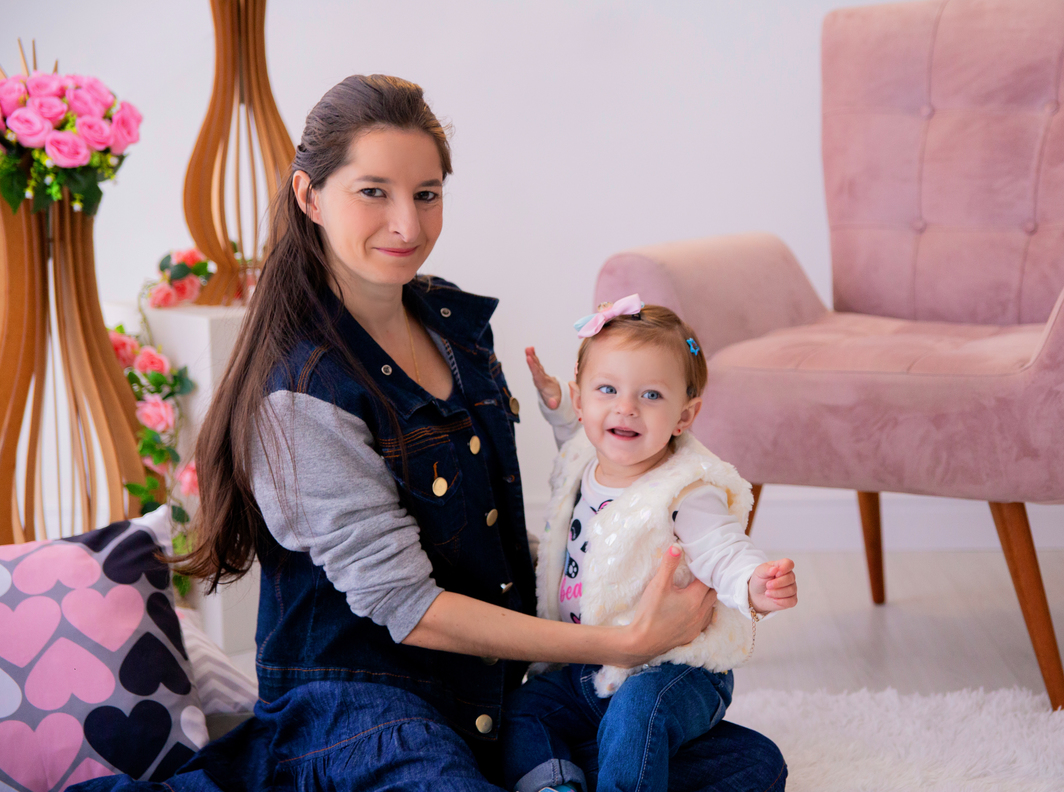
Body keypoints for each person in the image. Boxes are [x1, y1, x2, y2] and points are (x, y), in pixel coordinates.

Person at [70, 76, 786, 791]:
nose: (407, 225)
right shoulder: (302, 392)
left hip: (481, 694)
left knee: (749, 768)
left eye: (426, 193)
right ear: (309, 196)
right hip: (361, 706)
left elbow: (483, 530)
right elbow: (409, 609)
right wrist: (623, 641)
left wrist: (627, 557)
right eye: (373, 192)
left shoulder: (453, 325)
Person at [505, 300, 797, 792]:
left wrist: (753, 583)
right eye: (607, 390)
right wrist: (555, 407)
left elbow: (723, 546)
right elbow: (572, 437)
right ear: (581, 400)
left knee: (639, 711)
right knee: (520, 711)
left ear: (684, 415)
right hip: (588, 667)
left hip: (672, 671)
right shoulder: (584, 460)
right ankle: (555, 785)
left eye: (651, 395)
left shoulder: (685, 489)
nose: (626, 407)